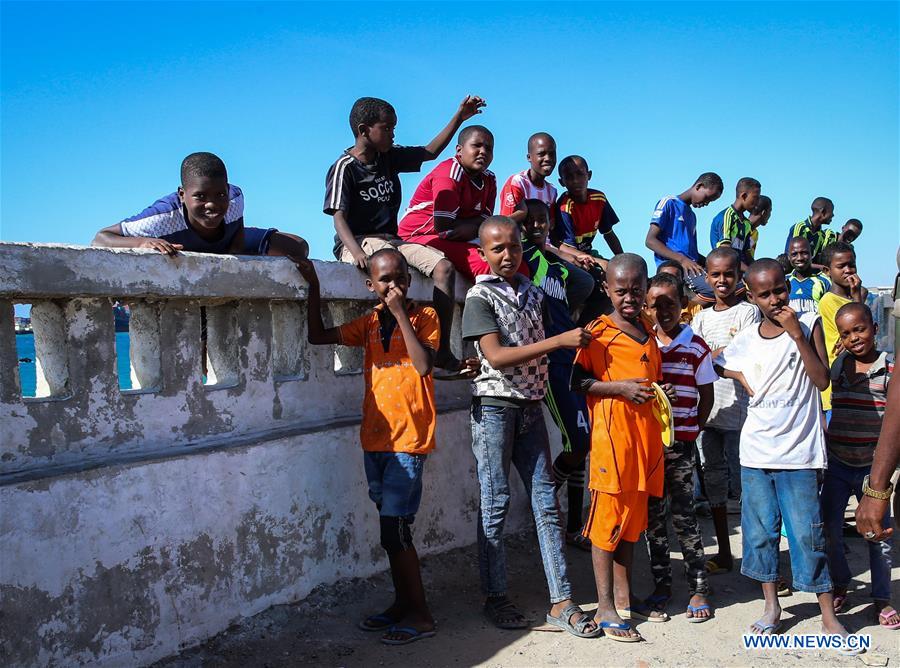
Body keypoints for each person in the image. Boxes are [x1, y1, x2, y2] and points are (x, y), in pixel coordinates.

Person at [462, 216, 599, 638]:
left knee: (545, 502)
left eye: (514, 247)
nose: (507, 255)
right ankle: (495, 595)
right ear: (483, 254)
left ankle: (561, 600)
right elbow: (497, 356)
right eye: (498, 249)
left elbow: (581, 293)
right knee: (496, 500)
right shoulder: (479, 295)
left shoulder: (533, 293)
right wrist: (558, 342)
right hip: (496, 408)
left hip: (530, 406)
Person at [294, 248, 438, 646]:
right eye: (385, 281)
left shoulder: (424, 318)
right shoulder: (370, 323)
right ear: (370, 286)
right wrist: (314, 287)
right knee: (390, 532)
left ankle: (421, 615)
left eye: (400, 278)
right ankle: (402, 604)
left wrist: (402, 317)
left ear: (409, 280)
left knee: (396, 532)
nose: (394, 286)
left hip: (408, 442)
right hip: (375, 440)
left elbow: (424, 365)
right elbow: (317, 336)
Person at [716, 259, 854, 646]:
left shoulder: (807, 327)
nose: (776, 298)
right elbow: (715, 360)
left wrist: (796, 335)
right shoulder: (746, 337)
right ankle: (772, 606)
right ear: (752, 296)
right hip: (757, 452)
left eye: (780, 289)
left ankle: (827, 614)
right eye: (766, 294)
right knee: (760, 535)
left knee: (808, 535)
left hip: (800, 455)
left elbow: (821, 378)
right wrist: (738, 375)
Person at [324, 95, 486, 372]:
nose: (393, 134)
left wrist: (459, 117)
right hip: (359, 241)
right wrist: (357, 251)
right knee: (394, 271)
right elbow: (338, 217)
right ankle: (399, 352)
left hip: (393, 240)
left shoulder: (389, 157)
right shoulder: (345, 168)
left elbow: (429, 152)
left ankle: (444, 351)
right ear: (364, 130)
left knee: (444, 268)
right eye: (387, 128)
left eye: (393, 128)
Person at [571, 253, 676, 641]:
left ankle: (623, 596)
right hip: (612, 446)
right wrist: (619, 389)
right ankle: (604, 608)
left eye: (636, 290)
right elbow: (577, 383)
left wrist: (659, 394)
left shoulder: (648, 332)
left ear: (646, 288)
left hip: (644, 445)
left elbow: (650, 379)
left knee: (631, 527)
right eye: (621, 291)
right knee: (605, 527)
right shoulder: (598, 333)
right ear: (607, 290)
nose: (629, 298)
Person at [642, 272, 715, 622]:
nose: (662, 311)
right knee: (653, 522)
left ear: (683, 304)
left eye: (670, 303)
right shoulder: (643, 344)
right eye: (654, 305)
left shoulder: (696, 347)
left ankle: (698, 587)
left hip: (682, 447)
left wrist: (691, 430)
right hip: (650, 450)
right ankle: (661, 587)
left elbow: (707, 397)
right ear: (646, 306)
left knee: (685, 519)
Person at [518, 199, 592, 547]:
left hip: (571, 357)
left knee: (582, 442)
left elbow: (583, 286)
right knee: (578, 442)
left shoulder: (555, 267)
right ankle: (542, 505)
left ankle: (575, 526)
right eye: (529, 221)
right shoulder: (521, 259)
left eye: (543, 221)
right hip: (550, 362)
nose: (537, 227)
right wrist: (520, 220)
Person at [820, 303, 896, 629]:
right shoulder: (839, 366)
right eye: (846, 333)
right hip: (837, 462)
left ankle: (882, 598)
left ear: (875, 328)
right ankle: (841, 581)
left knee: (876, 535)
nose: (855, 338)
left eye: (860, 329)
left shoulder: (891, 369)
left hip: (870, 467)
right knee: (829, 528)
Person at [93, 152, 309, 259]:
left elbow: (238, 231)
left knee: (298, 247)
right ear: (182, 194)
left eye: (219, 194)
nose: (212, 204)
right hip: (186, 248)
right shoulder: (161, 219)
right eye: (201, 196)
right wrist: (142, 243)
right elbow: (100, 239)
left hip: (223, 245)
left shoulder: (234, 197)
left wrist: (235, 261)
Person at [692, 248, 761, 576]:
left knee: (749, 489)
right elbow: (694, 356)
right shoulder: (701, 318)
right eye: (716, 275)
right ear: (707, 277)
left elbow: (740, 352)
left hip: (741, 418)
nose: (722, 280)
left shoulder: (748, 313)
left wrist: (708, 356)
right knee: (714, 484)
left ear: (739, 277)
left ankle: (757, 557)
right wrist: (710, 357)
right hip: (708, 414)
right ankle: (723, 551)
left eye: (728, 274)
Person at [498, 136, 596, 317]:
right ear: (529, 157)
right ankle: (546, 321)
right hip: (523, 248)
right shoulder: (517, 183)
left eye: (552, 153)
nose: (548, 158)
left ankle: (559, 320)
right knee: (548, 279)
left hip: (545, 249)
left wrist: (571, 255)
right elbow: (506, 226)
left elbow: (550, 235)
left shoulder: (551, 191)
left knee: (586, 282)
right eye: (541, 154)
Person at [398, 125, 500, 280]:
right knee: (486, 264)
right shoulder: (450, 173)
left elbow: (486, 221)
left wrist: (472, 228)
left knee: (515, 261)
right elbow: (444, 229)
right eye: (476, 146)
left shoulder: (489, 179)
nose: (483, 152)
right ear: (459, 150)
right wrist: (475, 227)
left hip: (455, 236)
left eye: (489, 148)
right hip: (418, 237)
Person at [555, 154, 622, 323]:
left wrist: (621, 259)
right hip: (568, 254)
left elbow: (608, 233)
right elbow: (568, 249)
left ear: (589, 175)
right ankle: (577, 325)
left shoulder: (599, 199)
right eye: (569, 177)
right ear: (562, 182)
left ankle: (591, 325)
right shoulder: (565, 206)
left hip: (588, 253)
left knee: (618, 276)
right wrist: (599, 263)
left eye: (580, 174)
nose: (576, 180)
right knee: (596, 281)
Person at [644, 173, 724, 303]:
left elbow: (692, 254)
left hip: (691, 267)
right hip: (675, 267)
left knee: (731, 284)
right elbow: (650, 241)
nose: (706, 203)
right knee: (716, 290)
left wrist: (712, 263)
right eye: (707, 198)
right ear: (699, 186)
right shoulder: (669, 203)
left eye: (710, 202)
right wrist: (682, 260)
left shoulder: (691, 216)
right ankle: (684, 309)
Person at [819, 241, 867, 417]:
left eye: (851, 265)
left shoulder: (855, 297)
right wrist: (857, 299)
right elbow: (859, 333)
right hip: (838, 382)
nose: (848, 270)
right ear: (827, 271)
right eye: (841, 266)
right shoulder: (829, 301)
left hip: (856, 378)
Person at [709, 177, 761, 271]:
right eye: (755, 198)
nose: (757, 203)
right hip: (724, 268)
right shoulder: (727, 216)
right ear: (744, 196)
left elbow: (746, 253)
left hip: (739, 270)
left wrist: (757, 269)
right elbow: (725, 253)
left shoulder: (746, 223)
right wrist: (749, 271)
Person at [783, 197, 836, 268]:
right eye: (831, 211)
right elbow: (792, 257)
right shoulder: (800, 227)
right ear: (823, 212)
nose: (833, 215)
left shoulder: (822, 235)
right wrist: (821, 267)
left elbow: (816, 260)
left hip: (808, 271)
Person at [786, 237, 830, 313]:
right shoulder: (784, 281)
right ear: (789, 257)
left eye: (804, 253)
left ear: (812, 254)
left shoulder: (824, 281)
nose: (799, 258)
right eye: (794, 254)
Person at [746, 195, 772, 264]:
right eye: (770, 211)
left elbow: (749, 258)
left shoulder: (755, 233)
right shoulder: (742, 227)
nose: (770, 215)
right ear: (763, 212)